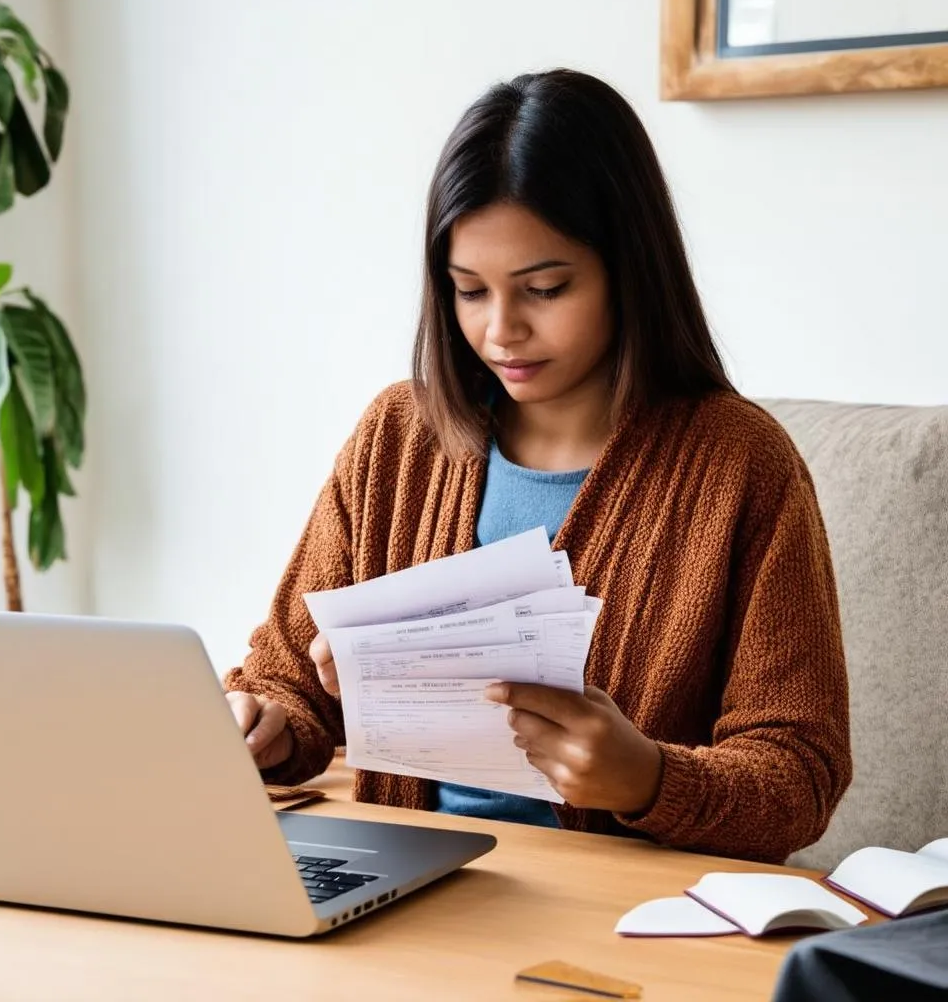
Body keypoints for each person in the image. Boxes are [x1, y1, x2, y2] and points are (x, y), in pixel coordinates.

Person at [223, 68, 852, 864]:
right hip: (405, 880)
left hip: (618, 913)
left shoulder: (739, 465)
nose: (500, 330)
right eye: (468, 291)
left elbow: (801, 776)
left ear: (630, 271)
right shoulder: (398, 437)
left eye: (545, 288)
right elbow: (285, 683)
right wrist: (265, 726)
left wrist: (650, 780)